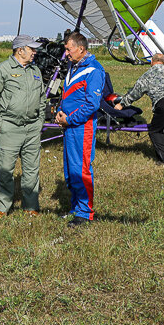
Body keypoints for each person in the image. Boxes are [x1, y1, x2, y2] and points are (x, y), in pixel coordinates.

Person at [0, 34, 47, 217]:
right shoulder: (2, 69)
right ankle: (2, 208)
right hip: (10, 127)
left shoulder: (35, 70)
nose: (35, 52)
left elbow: (42, 98)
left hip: (32, 128)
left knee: (31, 170)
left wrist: (40, 121)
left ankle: (30, 206)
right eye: (31, 49)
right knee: (5, 170)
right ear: (20, 50)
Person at [54, 32, 104, 227]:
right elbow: (68, 94)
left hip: (82, 127)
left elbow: (92, 104)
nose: (66, 53)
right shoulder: (72, 67)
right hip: (69, 126)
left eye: (69, 49)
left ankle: (85, 212)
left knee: (80, 169)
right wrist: (60, 112)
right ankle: (75, 207)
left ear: (81, 49)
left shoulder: (94, 70)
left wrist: (70, 119)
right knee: (70, 169)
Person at [114, 53, 164, 166]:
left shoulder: (147, 75)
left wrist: (121, 104)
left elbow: (135, 93)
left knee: (155, 131)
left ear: (151, 62)